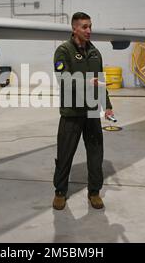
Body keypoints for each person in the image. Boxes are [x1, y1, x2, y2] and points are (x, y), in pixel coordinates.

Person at [52, 12, 114, 210]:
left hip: (92, 112)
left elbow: (100, 83)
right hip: (72, 113)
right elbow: (63, 79)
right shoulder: (63, 51)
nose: (89, 31)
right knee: (65, 154)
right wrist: (87, 82)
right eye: (84, 27)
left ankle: (94, 192)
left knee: (96, 154)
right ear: (74, 29)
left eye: (90, 26)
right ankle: (60, 192)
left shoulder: (95, 52)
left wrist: (108, 105)